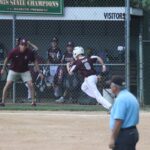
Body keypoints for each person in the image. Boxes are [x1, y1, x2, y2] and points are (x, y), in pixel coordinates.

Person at [0, 38, 43, 106]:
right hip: (14, 70)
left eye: (25, 45)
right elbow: (6, 59)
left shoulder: (29, 52)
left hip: (24, 71)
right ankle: (2, 102)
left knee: (31, 85)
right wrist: (3, 69)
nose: (23, 46)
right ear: (19, 45)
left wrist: (40, 72)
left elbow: (35, 62)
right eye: (22, 44)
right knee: (8, 84)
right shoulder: (14, 51)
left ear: (26, 46)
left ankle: (33, 102)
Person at [109, 75, 139, 150]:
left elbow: (119, 121)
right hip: (132, 132)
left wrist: (112, 138)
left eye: (111, 85)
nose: (110, 87)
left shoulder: (120, 99)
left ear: (115, 87)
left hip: (124, 135)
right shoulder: (130, 96)